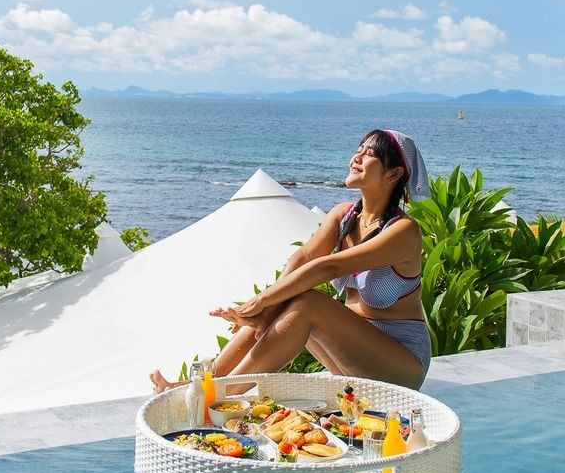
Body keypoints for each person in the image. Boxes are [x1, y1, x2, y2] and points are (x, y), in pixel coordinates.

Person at [151, 128, 433, 393]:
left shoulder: (402, 230)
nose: (357, 157)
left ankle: (219, 394)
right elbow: (305, 256)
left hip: (401, 363)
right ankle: (198, 386)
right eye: (358, 149)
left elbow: (328, 266)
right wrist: (266, 309)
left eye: (370, 153)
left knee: (307, 302)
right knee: (288, 296)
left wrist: (261, 301)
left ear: (394, 173)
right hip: (352, 357)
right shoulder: (344, 215)